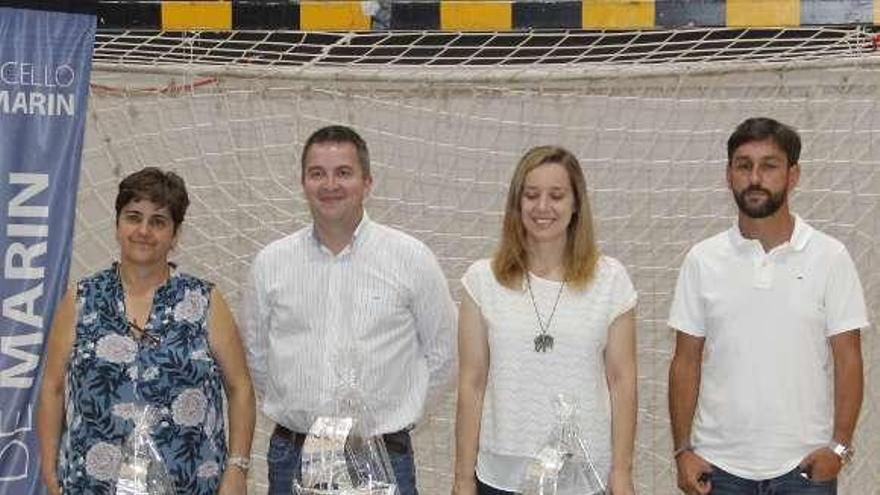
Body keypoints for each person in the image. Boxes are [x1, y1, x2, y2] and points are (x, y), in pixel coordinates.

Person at [243, 125, 457, 495]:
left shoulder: (411, 258)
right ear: (303, 182)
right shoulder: (271, 263)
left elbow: (446, 352)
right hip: (293, 455)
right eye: (317, 173)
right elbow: (258, 357)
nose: (330, 185)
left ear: (367, 182)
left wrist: (398, 414)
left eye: (343, 172)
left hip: (385, 456)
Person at [668, 117, 868, 495]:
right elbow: (685, 360)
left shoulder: (830, 256)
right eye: (744, 165)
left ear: (793, 176)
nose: (755, 177)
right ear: (729, 175)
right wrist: (682, 451)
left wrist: (838, 447)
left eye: (769, 165)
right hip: (717, 469)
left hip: (806, 469)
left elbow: (848, 357)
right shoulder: (702, 259)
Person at [37, 167, 256, 495]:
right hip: (92, 484)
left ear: (175, 234)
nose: (143, 230)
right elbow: (53, 386)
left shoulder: (205, 300)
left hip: (192, 482)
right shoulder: (81, 299)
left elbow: (240, 388)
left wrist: (237, 468)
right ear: (117, 225)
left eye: (158, 221)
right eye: (133, 217)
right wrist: (49, 466)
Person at [453, 145, 638, 495]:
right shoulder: (482, 280)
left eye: (556, 195)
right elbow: (472, 383)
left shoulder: (611, 280)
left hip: (585, 477)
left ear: (576, 204)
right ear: (516, 204)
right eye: (531, 195)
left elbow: (622, 382)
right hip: (500, 477)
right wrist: (463, 478)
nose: (542, 207)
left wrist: (622, 472)